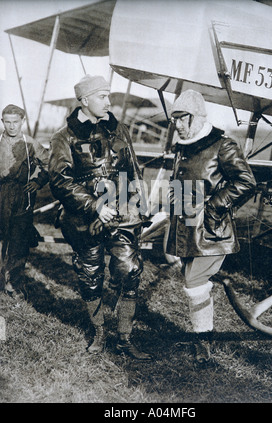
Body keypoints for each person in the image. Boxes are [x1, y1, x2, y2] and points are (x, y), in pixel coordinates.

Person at [48, 75, 152, 360]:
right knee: (90, 276)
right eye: (102, 96)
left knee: (130, 270)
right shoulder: (63, 137)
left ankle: (125, 338)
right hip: (84, 219)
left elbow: (133, 169)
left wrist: (140, 204)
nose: (109, 102)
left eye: (109, 96)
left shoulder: (119, 130)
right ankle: (99, 333)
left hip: (120, 216)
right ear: (84, 101)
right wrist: (94, 205)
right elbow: (60, 181)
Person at [166, 90, 256, 363]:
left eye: (182, 119)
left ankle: (203, 345)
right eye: (174, 119)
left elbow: (246, 182)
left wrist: (215, 206)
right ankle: (201, 336)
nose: (177, 125)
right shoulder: (183, 145)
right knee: (193, 280)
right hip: (185, 226)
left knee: (194, 283)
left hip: (212, 231)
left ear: (196, 117)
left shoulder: (223, 145)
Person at [0, 104, 49, 297]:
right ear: (2, 122)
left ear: (22, 121)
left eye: (15, 122)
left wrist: (37, 182)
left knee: (19, 241)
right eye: (7, 122)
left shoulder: (31, 144)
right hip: (0, 193)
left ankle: (14, 284)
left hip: (22, 196)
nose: (12, 126)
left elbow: (48, 164)